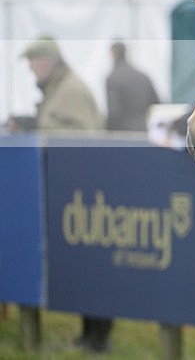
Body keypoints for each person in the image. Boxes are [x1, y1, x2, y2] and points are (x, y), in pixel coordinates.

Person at [19, 35, 112, 353]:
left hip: (85, 192)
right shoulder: (59, 90)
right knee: (82, 267)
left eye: (33, 60)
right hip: (73, 190)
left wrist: (39, 132)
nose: (31, 68)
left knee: (91, 266)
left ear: (47, 60)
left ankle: (98, 337)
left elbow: (85, 137)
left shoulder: (69, 90)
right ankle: (89, 335)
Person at [106, 41, 160, 132]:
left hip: (123, 134)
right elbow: (157, 104)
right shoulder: (143, 76)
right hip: (145, 131)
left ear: (113, 54)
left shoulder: (112, 78)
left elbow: (114, 113)